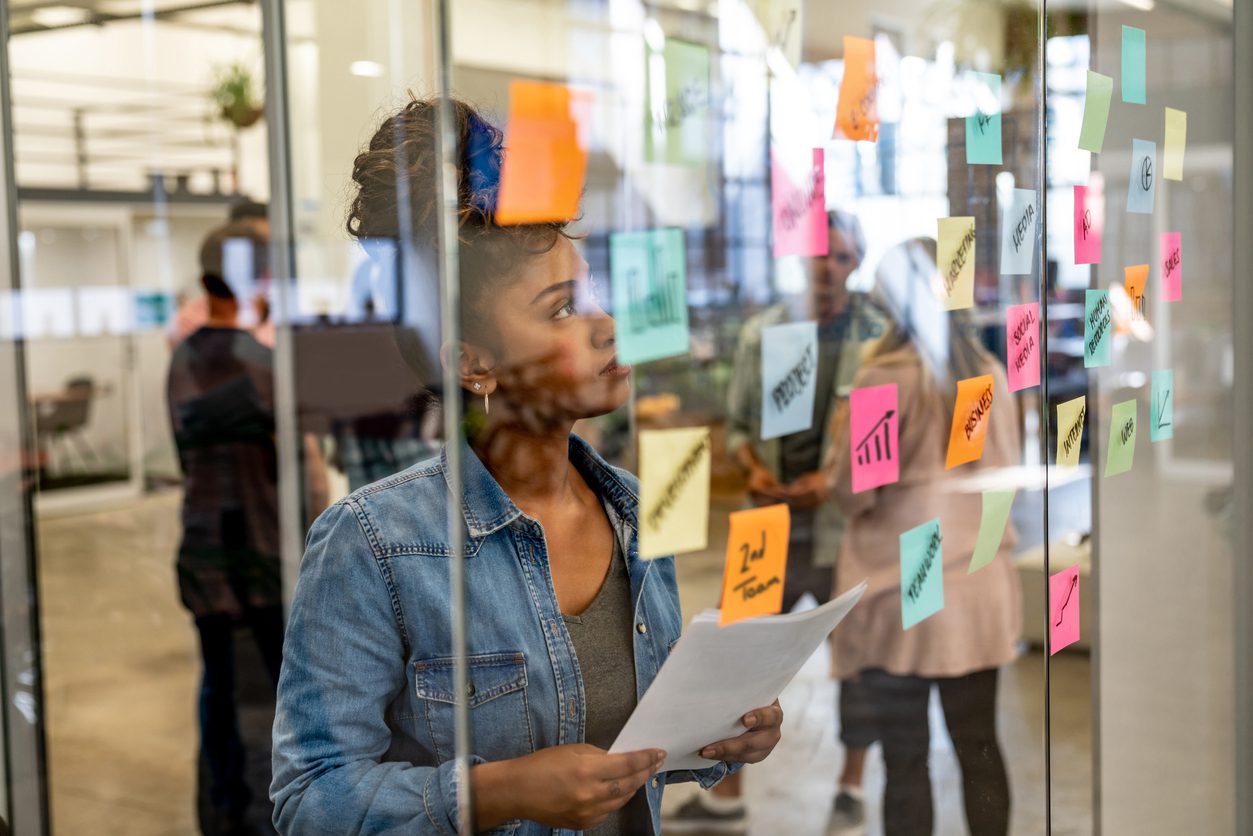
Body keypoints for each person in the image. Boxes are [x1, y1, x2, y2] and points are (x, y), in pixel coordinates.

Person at [270, 96, 785, 835]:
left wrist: (724, 739)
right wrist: (493, 795)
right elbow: (308, 802)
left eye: (594, 294)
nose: (605, 322)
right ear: (473, 364)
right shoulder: (374, 543)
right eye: (561, 309)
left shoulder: (632, 508)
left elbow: (644, 741)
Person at [665, 211, 882, 834]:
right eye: (819, 255)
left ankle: (850, 788)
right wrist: (752, 467)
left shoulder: (876, 336)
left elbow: (881, 434)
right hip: (769, 523)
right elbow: (736, 426)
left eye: (841, 257)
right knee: (736, 660)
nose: (828, 268)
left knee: (857, 663)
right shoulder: (766, 332)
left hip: (842, 525)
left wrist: (835, 482)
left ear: (856, 263)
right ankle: (726, 797)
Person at [827, 237, 1022, 836]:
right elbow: (1007, 469)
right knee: (979, 745)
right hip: (978, 581)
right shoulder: (987, 373)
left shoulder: (884, 379)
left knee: (904, 758)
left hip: (905, 584)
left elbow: (857, 489)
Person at [167, 220, 284, 833]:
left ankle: (221, 810)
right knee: (274, 699)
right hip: (254, 553)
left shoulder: (183, 357)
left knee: (220, 688)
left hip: (208, 550)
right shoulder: (256, 363)